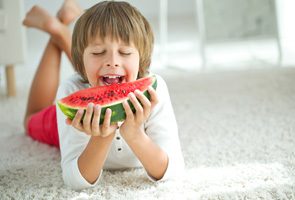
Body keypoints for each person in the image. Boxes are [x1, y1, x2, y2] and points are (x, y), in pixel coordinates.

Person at [23, 0, 184, 190]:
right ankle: (56, 32)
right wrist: (101, 136)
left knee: (97, 68)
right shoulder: (71, 90)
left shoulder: (154, 91)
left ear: (142, 60)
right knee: (30, 120)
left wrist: (135, 135)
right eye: (99, 52)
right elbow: (74, 181)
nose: (113, 62)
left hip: (95, 76)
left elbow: (173, 172)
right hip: (76, 119)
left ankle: (61, 29)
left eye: (125, 52)